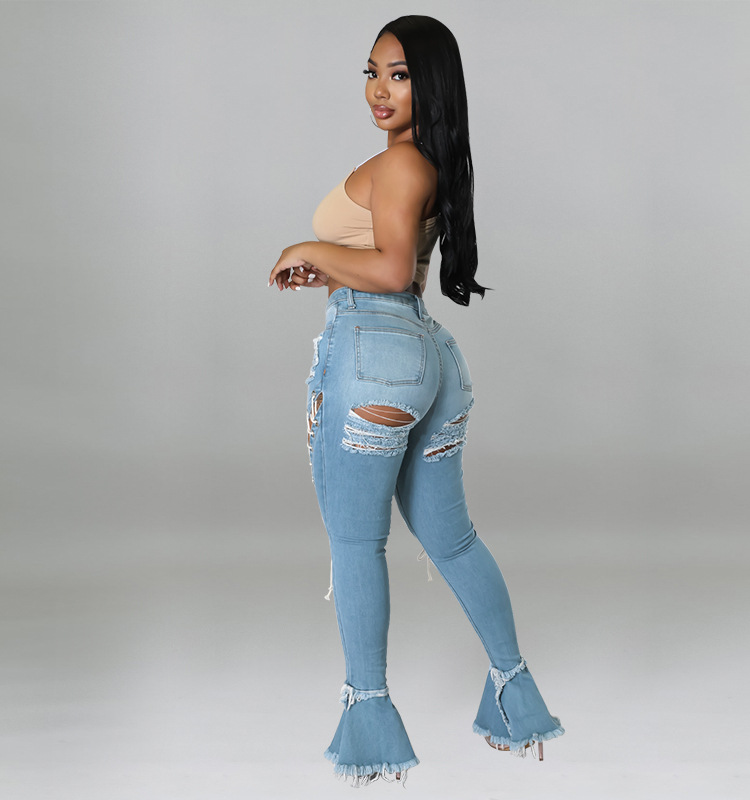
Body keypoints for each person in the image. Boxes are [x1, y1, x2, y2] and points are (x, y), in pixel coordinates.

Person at [268, 15, 564, 787]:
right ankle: (516, 696)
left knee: (357, 543)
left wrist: (307, 249)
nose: (379, 89)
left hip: (373, 355)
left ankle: (370, 729)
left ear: (430, 83)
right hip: (424, 358)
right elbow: (389, 263)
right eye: (370, 72)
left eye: (397, 75)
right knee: (453, 542)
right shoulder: (426, 161)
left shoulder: (401, 165)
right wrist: (333, 269)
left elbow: (395, 269)